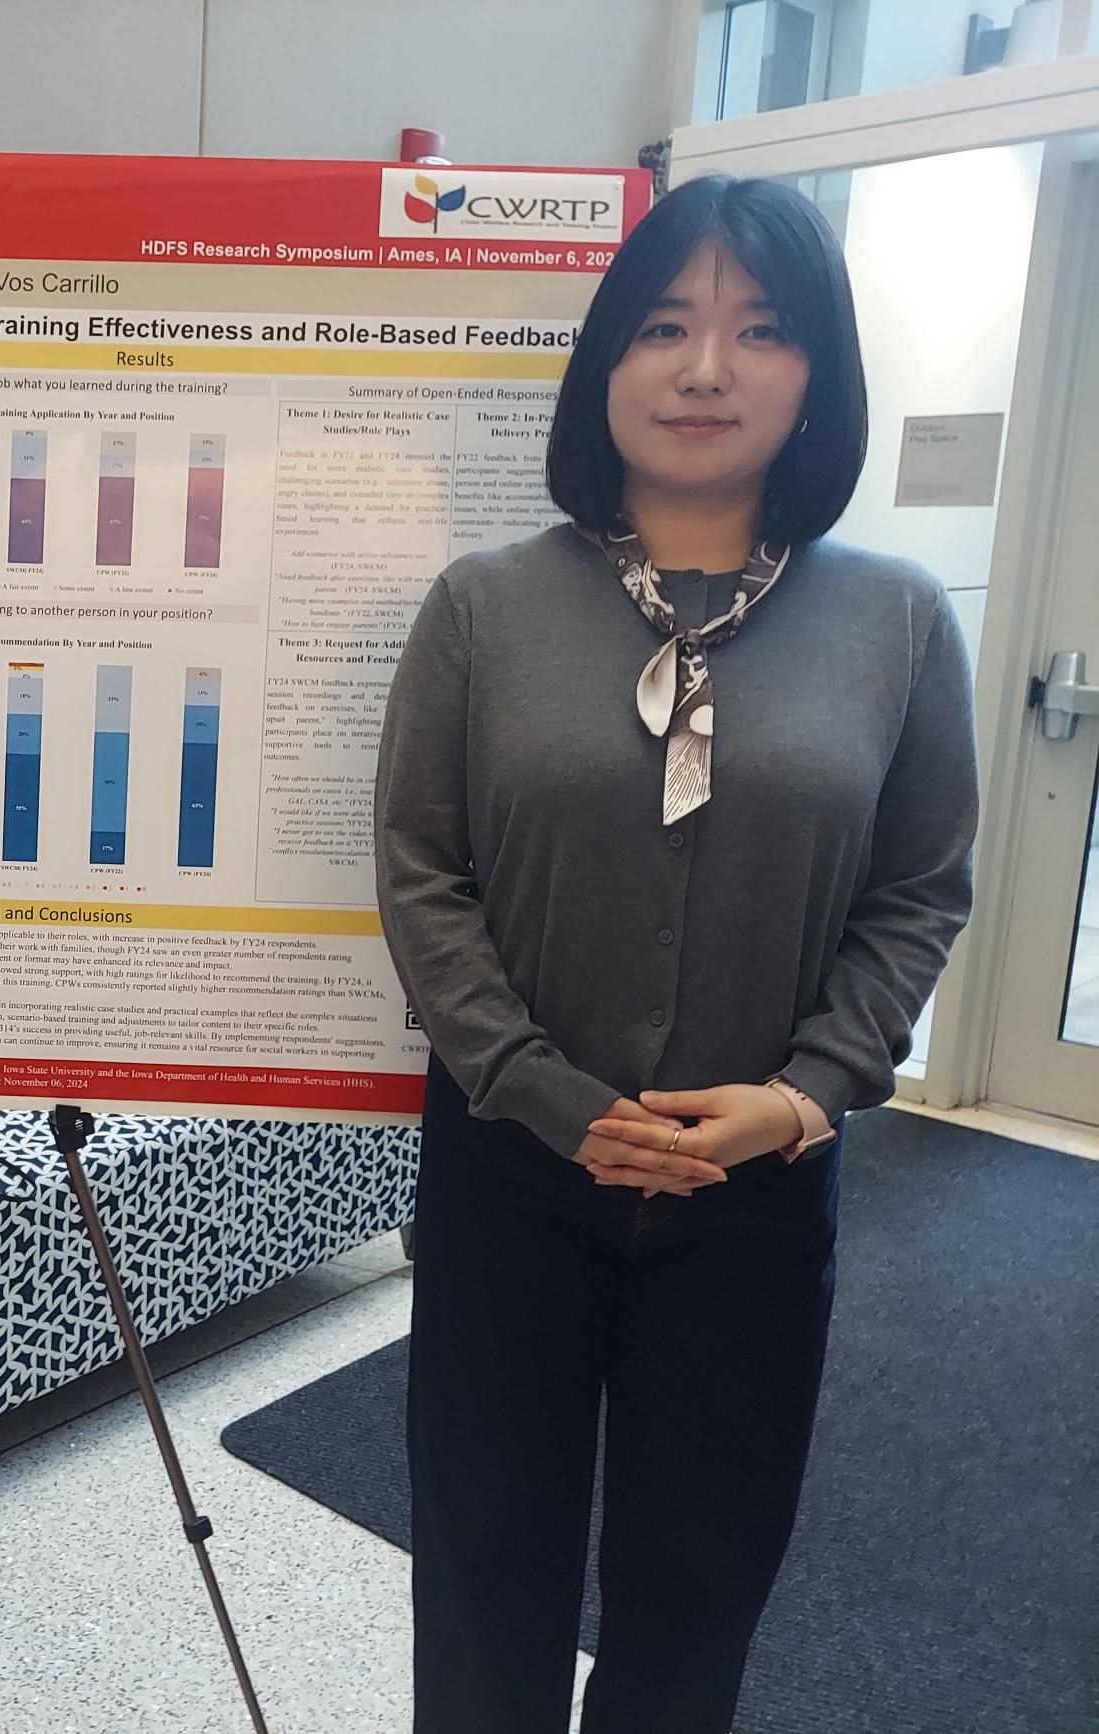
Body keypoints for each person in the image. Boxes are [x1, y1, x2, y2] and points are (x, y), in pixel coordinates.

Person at [375, 175, 977, 1733]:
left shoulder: (897, 621)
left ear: (816, 376)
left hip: (756, 1191)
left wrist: (808, 1096)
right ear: (607, 364)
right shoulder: (485, 608)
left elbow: (920, 889)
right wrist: (541, 1088)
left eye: (759, 330)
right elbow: (423, 872)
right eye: (666, 325)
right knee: (483, 1581)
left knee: (698, 1594)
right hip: (515, 1167)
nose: (707, 366)